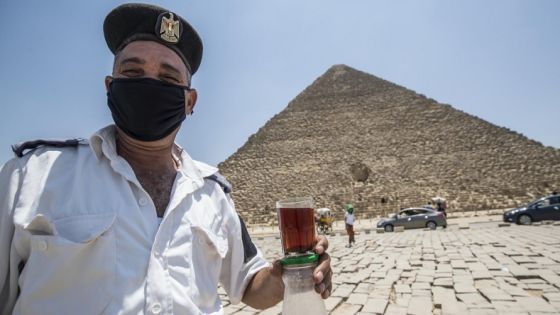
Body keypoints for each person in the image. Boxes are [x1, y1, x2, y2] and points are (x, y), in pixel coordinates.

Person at [0, 3, 332, 314]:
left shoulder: (212, 193)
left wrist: (285, 276)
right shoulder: (29, 178)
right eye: (132, 71)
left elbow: (249, 285)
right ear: (109, 87)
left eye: (168, 78)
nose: (149, 85)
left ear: (190, 101)